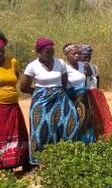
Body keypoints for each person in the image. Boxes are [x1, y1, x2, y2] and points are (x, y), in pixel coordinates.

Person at [20, 37, 79, 165]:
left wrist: (56, 91)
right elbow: (23, 87)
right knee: (42, 129)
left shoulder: (60, 63)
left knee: (69, 123)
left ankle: (64, 156)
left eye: (52, 51)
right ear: (39, 52)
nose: (50, 54)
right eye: (47, 52)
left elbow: (64, 82)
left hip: (60, 99)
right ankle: (41, 160)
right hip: (42, 102)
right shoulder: (32, 66)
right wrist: (39, 93)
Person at [0, 32, 29, 169]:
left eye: (2, 50)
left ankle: (18, 161)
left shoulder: (12, 61)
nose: (0, 53)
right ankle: (3, 164)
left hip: (13, 105)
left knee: (18, 134)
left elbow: (15, 79)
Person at [78, 44, 112, 139]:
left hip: (95, 97)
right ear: (79, 55)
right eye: (84, 55)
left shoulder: (94, 67)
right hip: (82, 97)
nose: (87, 57)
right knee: (84, 120)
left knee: (99, 119)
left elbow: (97, 83)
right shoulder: (76, 68)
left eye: (89, 55)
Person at [63, 43, 95, 143]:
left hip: (84, 99)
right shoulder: (64, 68)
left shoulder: (83, 66)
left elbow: (90, 79)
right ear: (67, 55)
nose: (77, 56)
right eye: (74, 54)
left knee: (86, 121)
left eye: (78, 53)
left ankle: (88, 142)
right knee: (74, 122)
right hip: (72, 99)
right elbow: (63, 85)